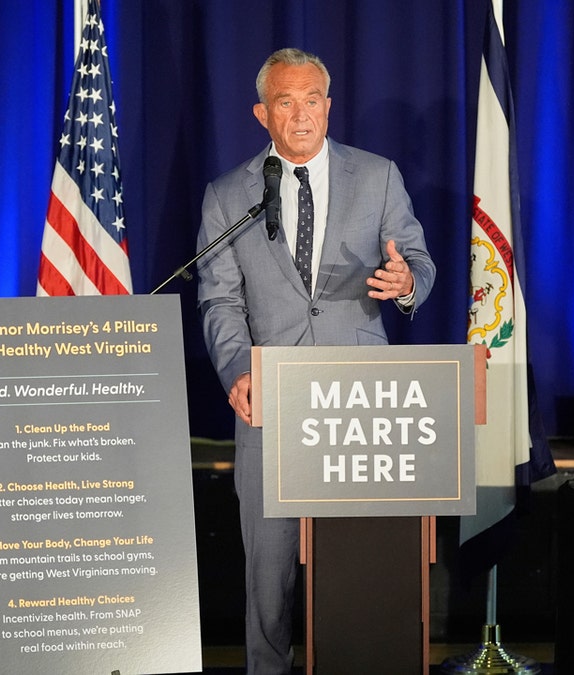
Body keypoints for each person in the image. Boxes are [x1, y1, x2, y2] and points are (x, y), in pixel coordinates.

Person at [195, 48, 436, 674]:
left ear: (329, 107)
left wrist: (406, 281)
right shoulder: (228, 197)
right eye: (285, 102)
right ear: (261, 114)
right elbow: (219, 299)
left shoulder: (377, 176)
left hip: (362, 409)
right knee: (267, 577)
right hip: (270, 403)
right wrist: (237, 372)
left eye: (311, 100)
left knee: (357, 565)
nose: (300, 115)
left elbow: (418, 260)